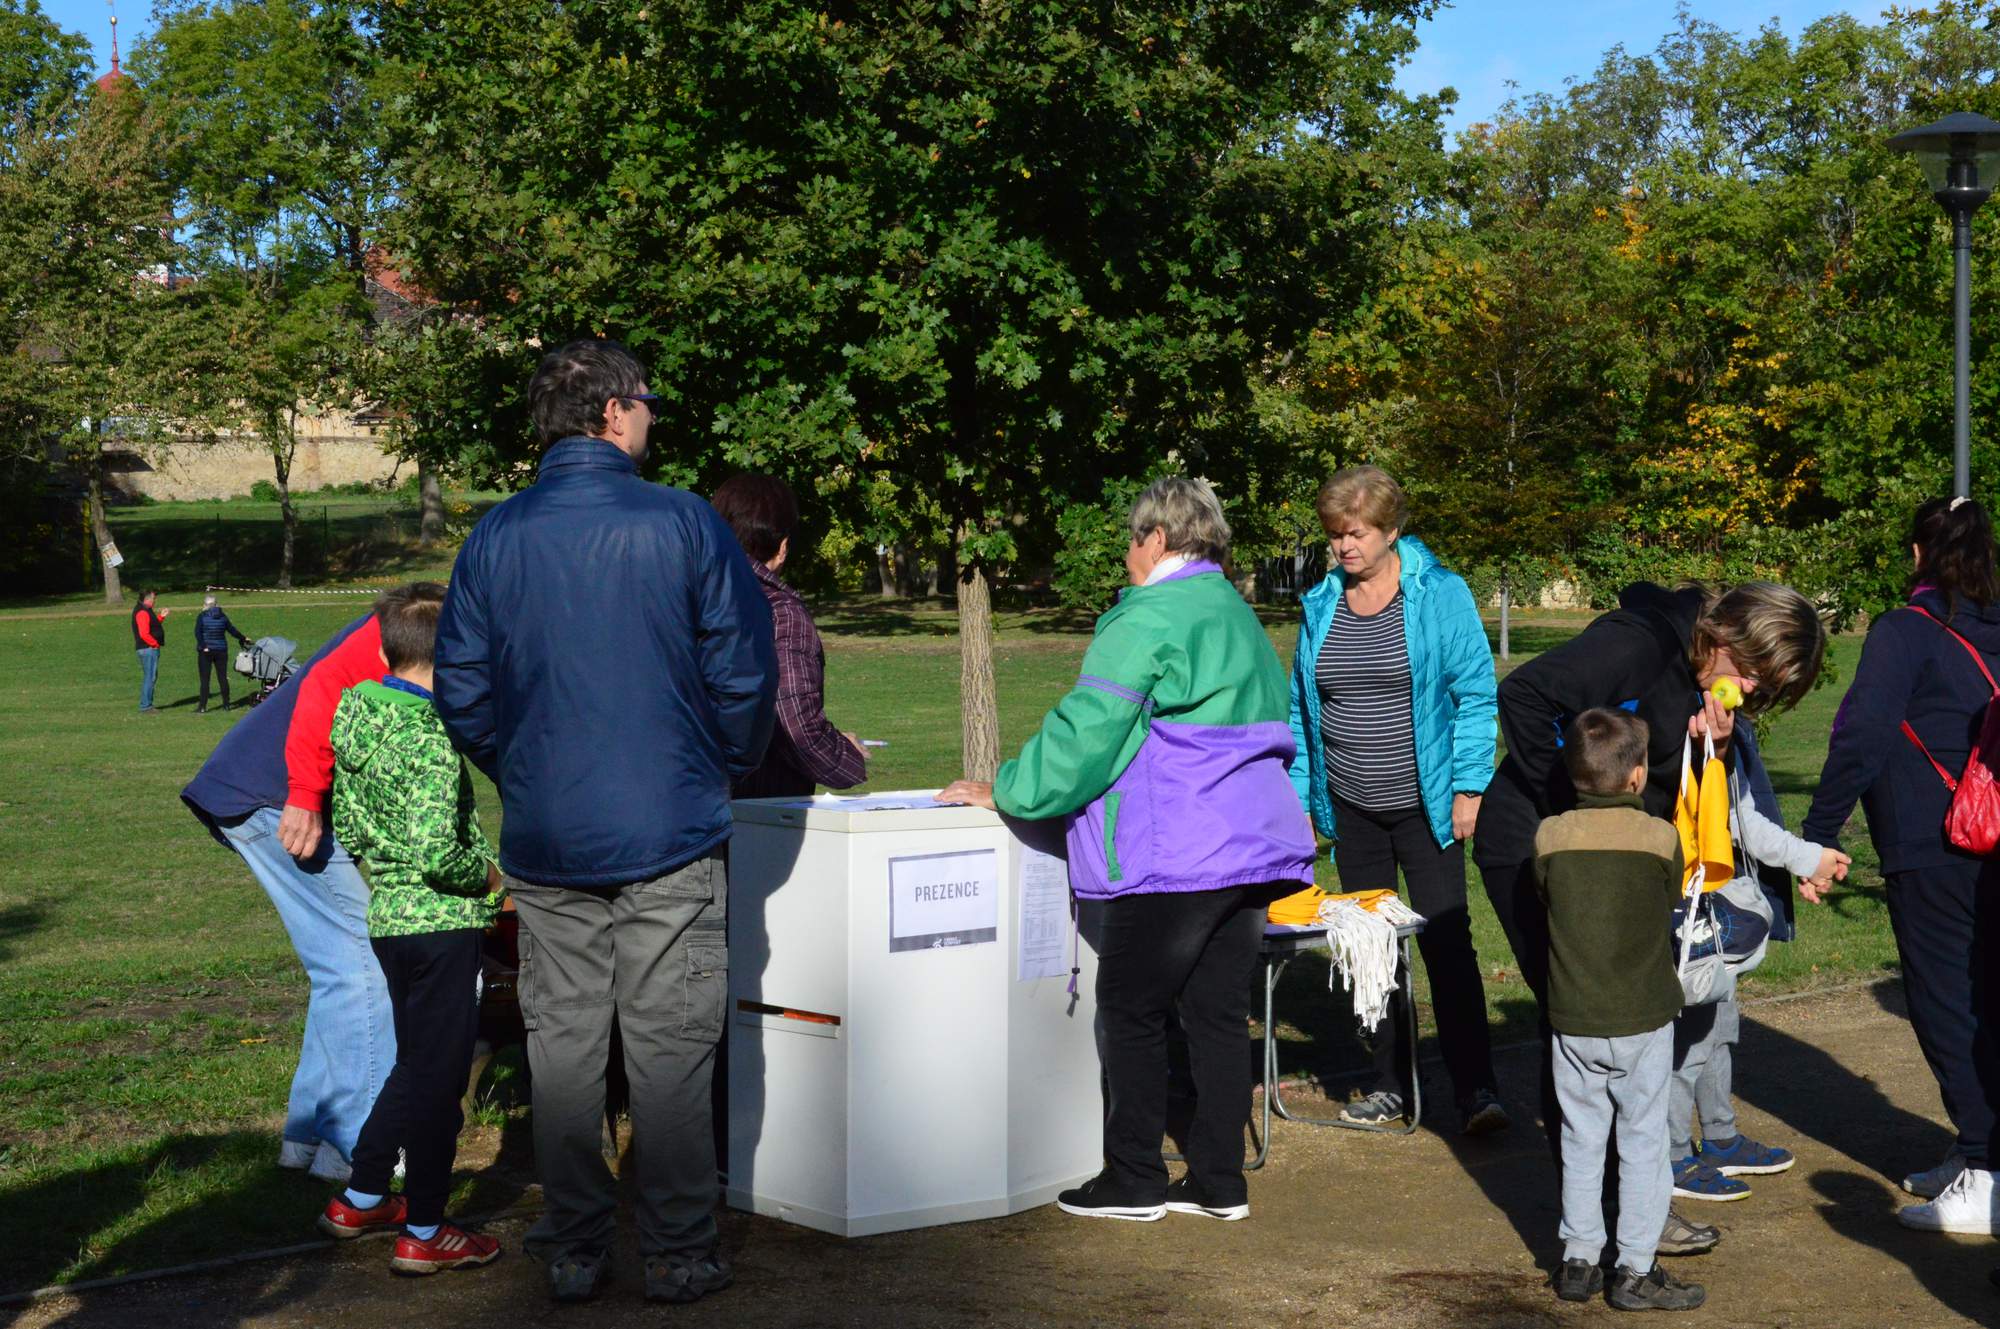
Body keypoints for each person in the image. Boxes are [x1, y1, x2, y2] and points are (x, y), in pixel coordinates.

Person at [434, 338, 776, 1306]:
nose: (653, 419)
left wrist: (526, 769)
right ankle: (675, 1246)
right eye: (648, 405)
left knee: (565, 1041)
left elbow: (462, 689)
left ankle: (577, 1242)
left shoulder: (495, 537)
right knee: (668, 1042)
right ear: (615, 412)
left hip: (550, 831)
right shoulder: (680, 523)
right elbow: (743, 674)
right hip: (665, 822)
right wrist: (716, 765)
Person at [940, 476, 1315, 1225]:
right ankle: (1219, 1179)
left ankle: (1134, 1174)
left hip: (1178, 845)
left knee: (1131, 1007)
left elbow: (1087, 733)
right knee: (1215, 1013)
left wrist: (1007, 787)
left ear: (1156, 538)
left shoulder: (1145, 616)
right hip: (1252, 846)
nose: (1125, 554)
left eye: (1130, 538)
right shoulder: (1239, 614)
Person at [1473, 578, 1826, 1257]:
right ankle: (1605, 1228)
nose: (1749, 693)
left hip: (1622, 861)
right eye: (1753, 675)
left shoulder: (1702, 672)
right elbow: (1523, 696)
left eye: (1765, 689)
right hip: (1539, 843)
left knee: (1627, 1020)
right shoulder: (1637, 643)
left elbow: (1665, 771)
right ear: (1727, 636)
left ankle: (1629, 1215)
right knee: (1584, 1018)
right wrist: (1580, 817)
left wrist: (1713, 747)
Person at [1285, 466, 1504, 1134]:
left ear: (1391, 530)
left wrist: (1470, 786)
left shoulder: (1439, 593)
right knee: (1371, 949)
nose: (1343, 547)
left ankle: (1477, 1090)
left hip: (1426, 802)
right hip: (1351, 806)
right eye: (1335, 535)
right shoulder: (1321, 602)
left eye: (1355, 533)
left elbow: (1476, 692)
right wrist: (1300, 803)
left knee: (1446, 941)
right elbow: (1302, 709)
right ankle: (1393, 1085)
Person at [1804, 496, 2000, 1234]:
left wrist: (1819, 836)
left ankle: (1986, 1167)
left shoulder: (1905, 630)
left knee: (1948, 1003)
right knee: (1988, 1000)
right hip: (1993, 839)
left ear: (1919, 554)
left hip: (1934, 843)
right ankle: (1979, 1147)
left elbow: (1860, 735)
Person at [314, 583, 505, 1274]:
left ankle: (364, 1193)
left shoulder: (359, 716)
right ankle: (426, 1224)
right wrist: (487, 873)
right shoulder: (427, 734)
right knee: (439, 1082)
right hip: (442, 922)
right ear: (448, 650)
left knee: (416, 1063)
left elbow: (358, 826)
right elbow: (435, 847)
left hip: (390, 916)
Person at [182, 604, 399, 1184]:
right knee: (366, 964)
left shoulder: (417, 619)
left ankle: (307, 1139)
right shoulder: (412, 625)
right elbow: (325, 689)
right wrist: (305, 794)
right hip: (273, 797)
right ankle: (358, 1147)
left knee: (338, 969)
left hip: (253, 788)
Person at [1537, 708, 1704, 1312]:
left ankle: (1578, 1258)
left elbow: (1543, 894)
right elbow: (1669, 900)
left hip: (1573, 1016)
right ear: (1637, 777)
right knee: (1643, 1142)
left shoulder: (1550, 835)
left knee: (1582, 1137)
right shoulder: (1661, 836)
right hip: (1642, 1015)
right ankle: (1634, 1267)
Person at [1668, 722, 1846, 1204]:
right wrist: (1808, 857)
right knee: (1687, 1041)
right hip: (1691, 913)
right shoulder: (1686, 731)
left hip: (1716, 909)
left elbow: (1741, 816)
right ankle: (1671, 1156)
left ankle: (1720, 1139)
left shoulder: (1725, 729)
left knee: (1718, 1028)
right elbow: (1745, 823)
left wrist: (1806, 859)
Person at [710, 474, 868, 798]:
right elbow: (795, 725)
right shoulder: (781, 614)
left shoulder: (690, 598)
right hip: (761, 813)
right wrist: (847, 759)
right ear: (782, 548)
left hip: (689, 804)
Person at [194, 593, 248, 714]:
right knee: (222, 678)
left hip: (206, 651)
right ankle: (226, 704)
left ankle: (202, 707)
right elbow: (232, 630)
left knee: (205, 679)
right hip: (221, 650)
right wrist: (243, 638)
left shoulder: (202, 616)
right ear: (216, 604)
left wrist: (203, 646)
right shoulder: (223, 616)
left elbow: (197, 633)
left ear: (205, 604)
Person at [132, 589, 171, 713]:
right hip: (147, 649)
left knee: (150, 677)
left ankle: (147, 704)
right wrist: (154, 644)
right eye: (154, 599)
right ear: (148, 599)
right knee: (150, 677)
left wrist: (161, 617)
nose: (155, 601)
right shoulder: (142, 612)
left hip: (148, 648)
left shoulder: (146, 610)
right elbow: (144, 634)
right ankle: (145, 706)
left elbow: (152, 626)